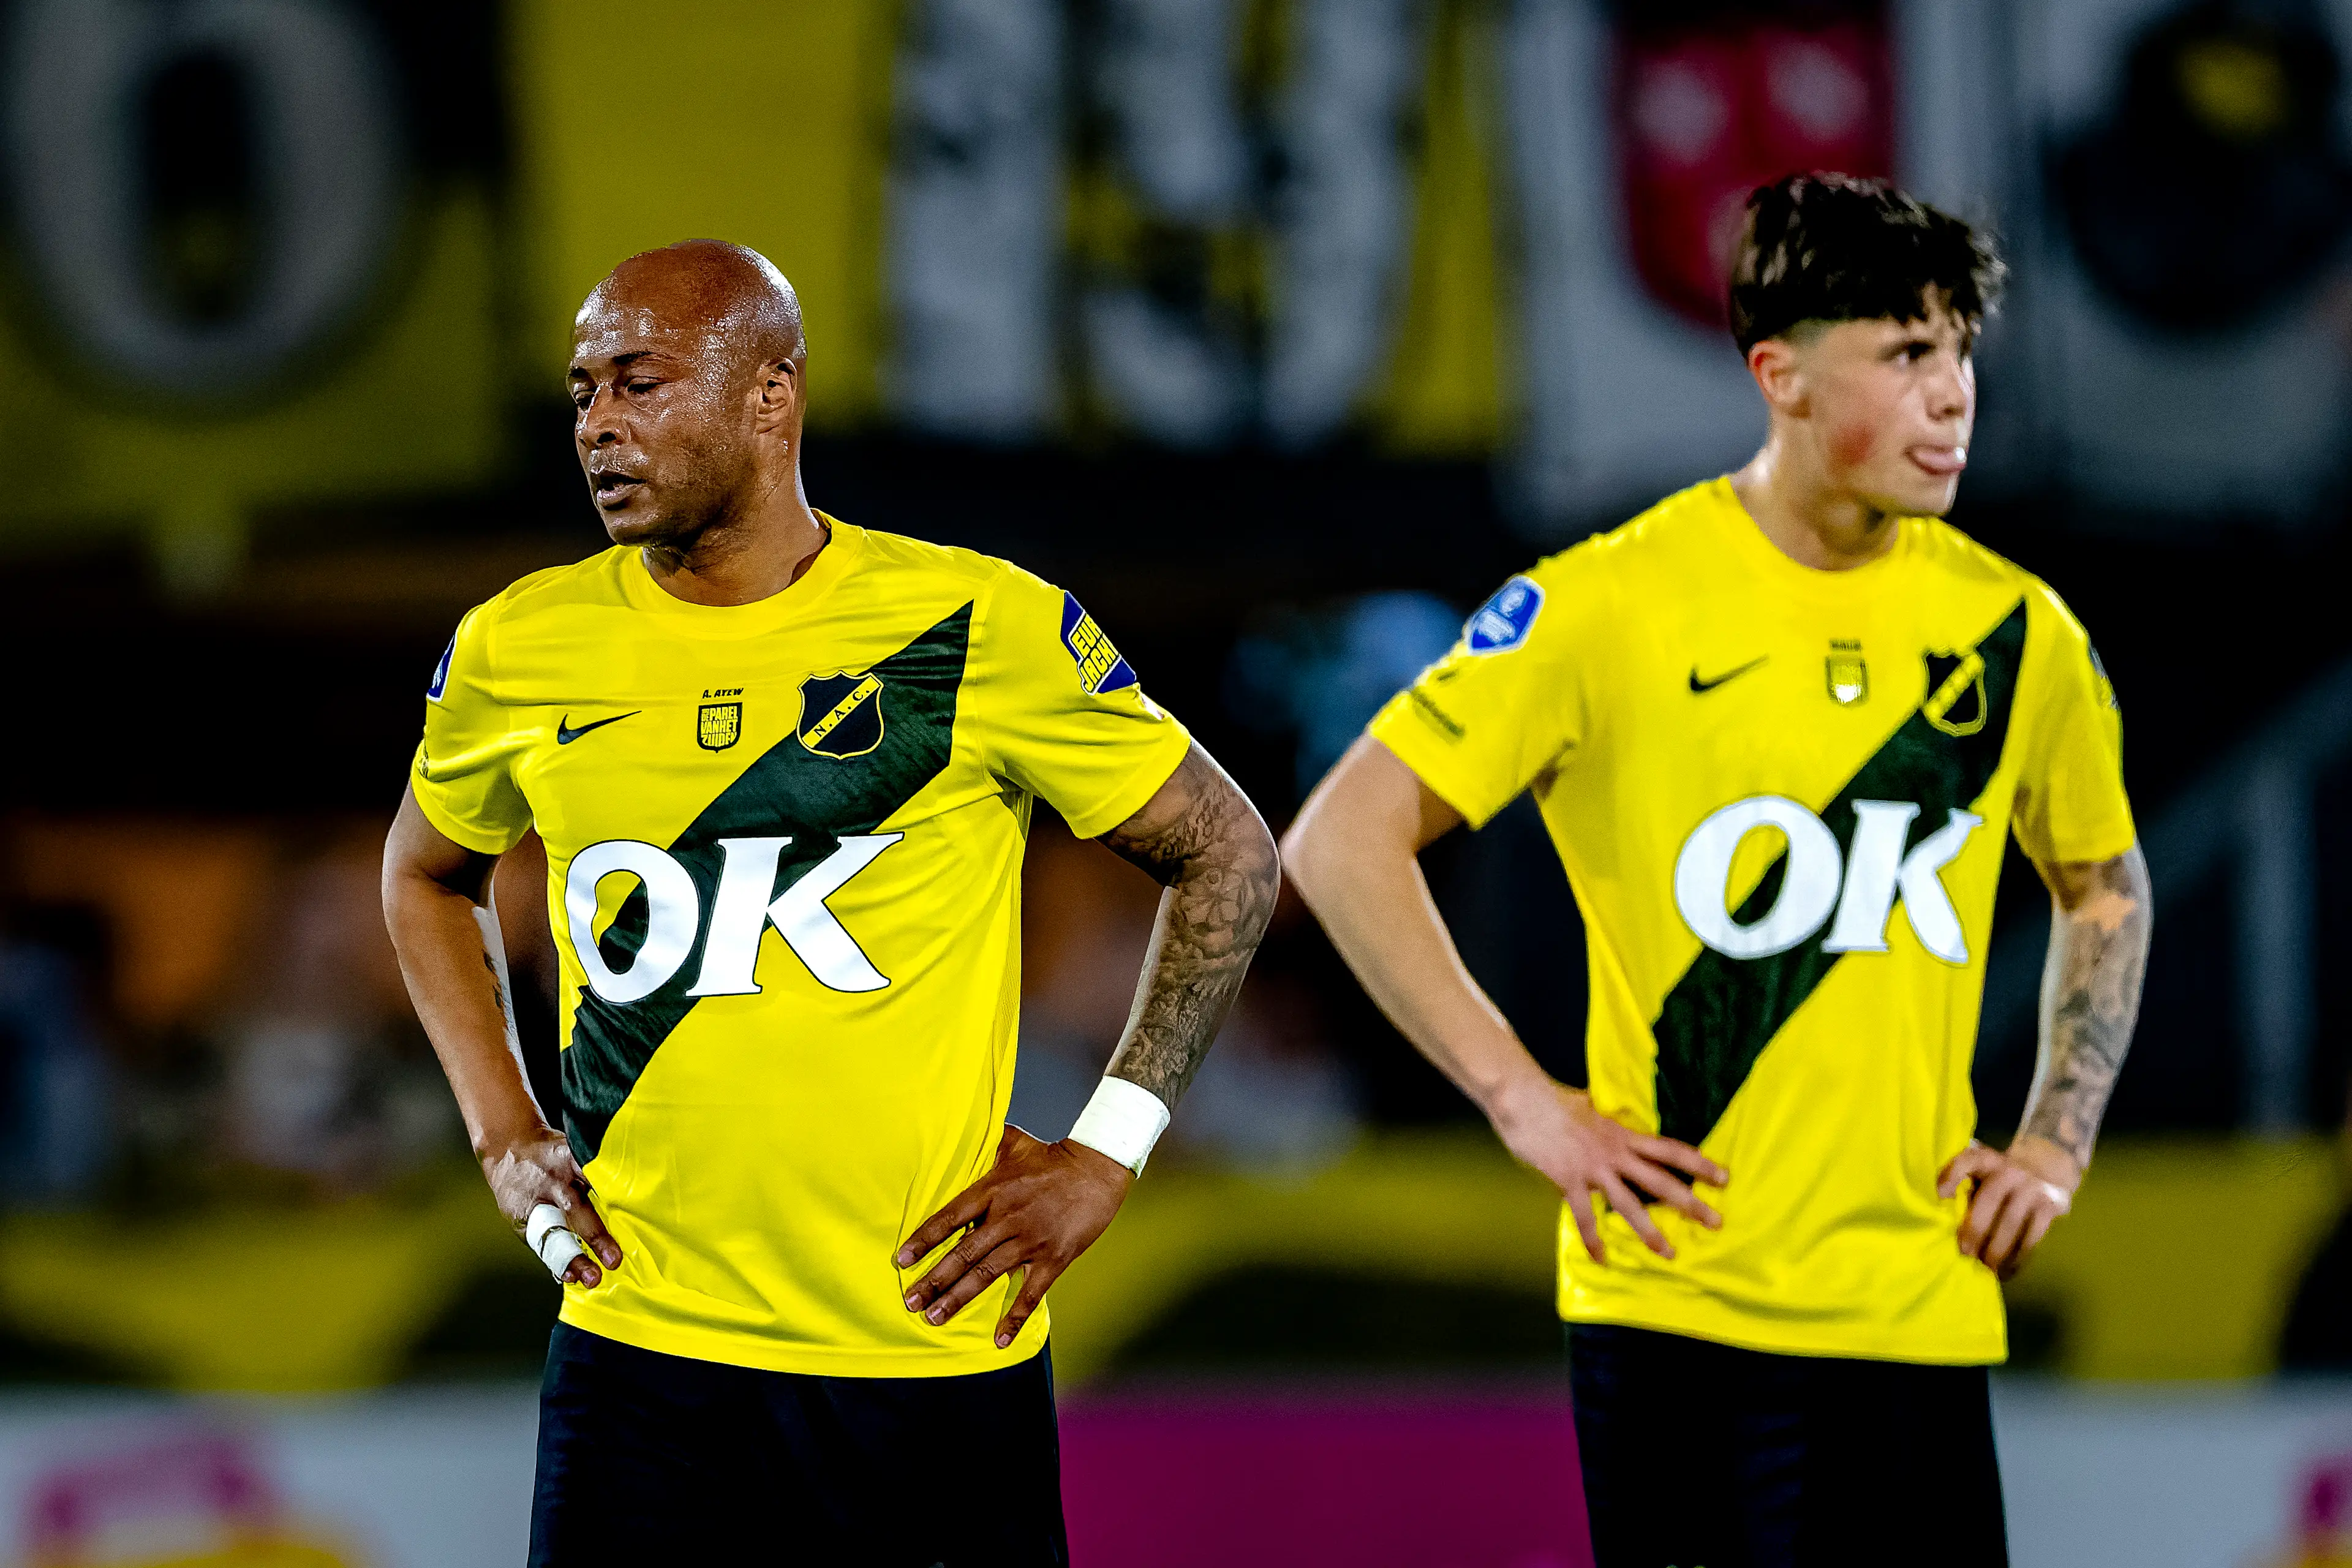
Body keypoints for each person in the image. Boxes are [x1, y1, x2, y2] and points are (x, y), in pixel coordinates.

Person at [1281, 174, 2153, 1566]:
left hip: (1919, 1309)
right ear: (1781, 374)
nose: (1952, 396)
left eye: (1962, 353)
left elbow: (2105, 882)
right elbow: (1338, 837)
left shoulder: (2018, 632)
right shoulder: (1606, 604)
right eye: (1907, 353)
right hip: (1685, 1313)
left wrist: (2055, 1140)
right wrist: (1526, 1101)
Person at [380, 239, 1278, 1566]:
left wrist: (1107, 1152)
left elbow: (1232, 855)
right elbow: (422, 872)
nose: (600, 427)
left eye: (640, 382)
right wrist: (504, 1126)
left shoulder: (977, 624)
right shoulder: (519, 645)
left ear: (771, 392)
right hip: (640, 1359)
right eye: (582, 392)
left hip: (924, 1355)